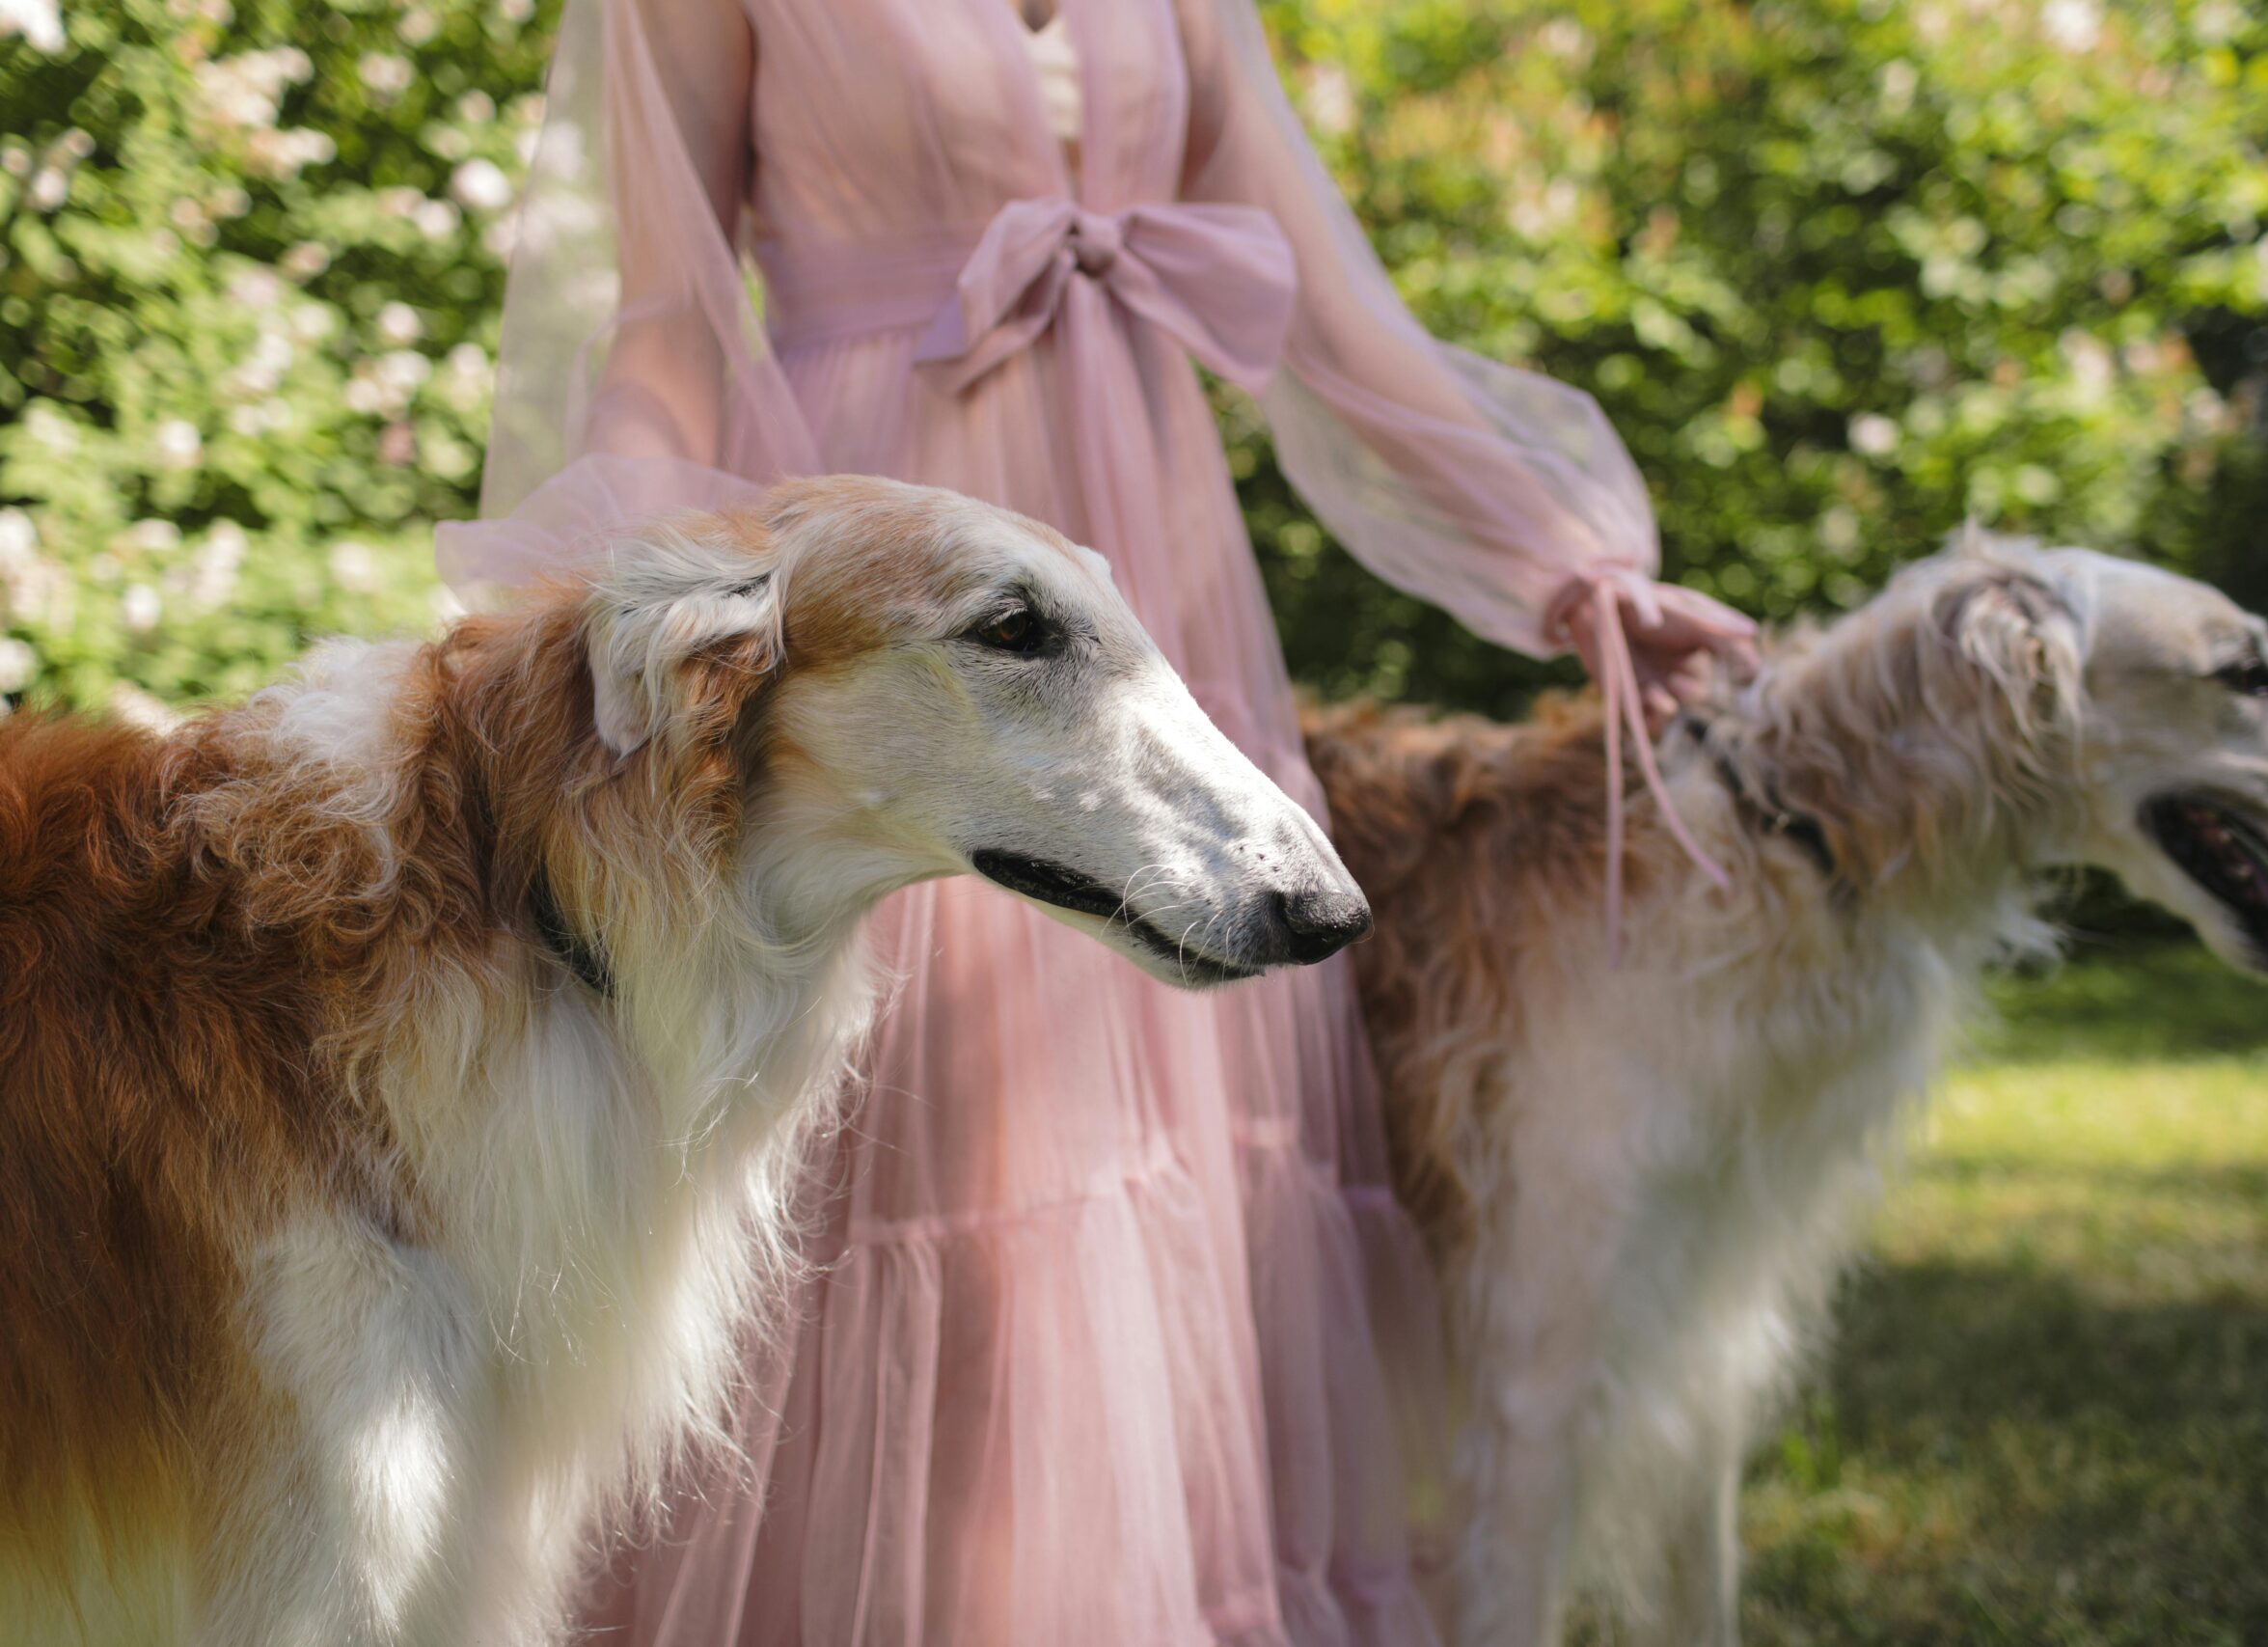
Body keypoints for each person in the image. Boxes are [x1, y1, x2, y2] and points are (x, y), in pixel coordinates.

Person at [438, 1, 1757, 1642]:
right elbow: (663, 311)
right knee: (889, 1142)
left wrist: (1567, 564)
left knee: (1168, 1113)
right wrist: (590, 609)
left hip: (1149, 578)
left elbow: (1335, 308)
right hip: (892, 579)